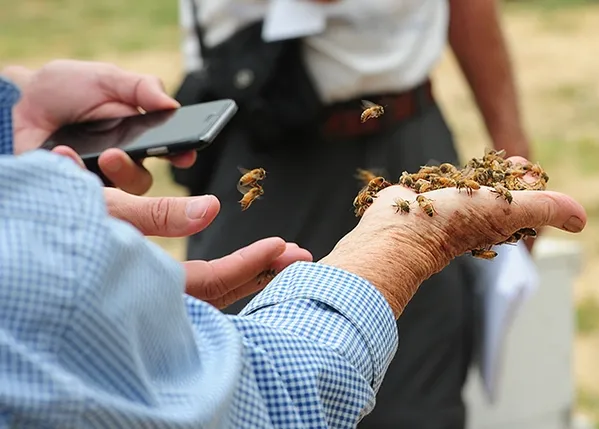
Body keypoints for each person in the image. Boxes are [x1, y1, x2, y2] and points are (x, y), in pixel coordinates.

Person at [0, 60, 586, 428]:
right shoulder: (38, 291)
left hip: (404, 126)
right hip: (266, 125)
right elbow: (258, 398)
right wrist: (402, 247)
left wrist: (11, 107)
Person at [172, 1, 531, 427]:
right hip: (270, 145)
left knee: (420, 399)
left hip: (408, 132)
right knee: (252, 389)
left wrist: (511, 136)